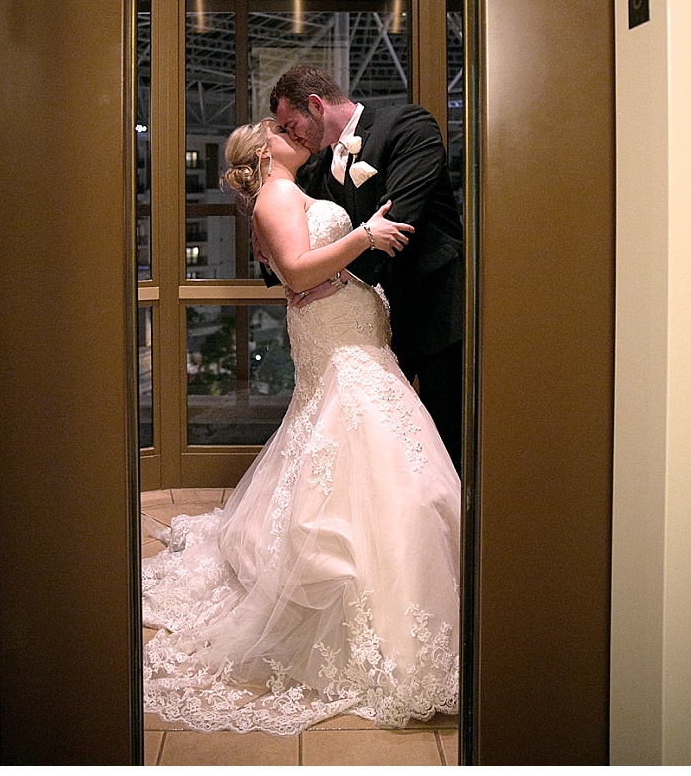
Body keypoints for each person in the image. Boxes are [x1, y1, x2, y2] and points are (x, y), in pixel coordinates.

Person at [142, 118, 460, 735]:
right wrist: (365, 237)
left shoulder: (292, 189)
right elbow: (297, 270)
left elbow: (310, 267)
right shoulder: (277, 195)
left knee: (357, 451)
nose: (293, 133)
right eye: (280, 130)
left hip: (350, 329)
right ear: (266, 150)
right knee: (383, 465)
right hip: (339, 340)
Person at [269, 64, 465, 475]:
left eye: (292, 124)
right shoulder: (322, 169)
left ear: (317, 105)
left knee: (442, 442)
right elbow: (304, 233)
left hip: (433, 313)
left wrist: (332, 276)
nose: (293, 137)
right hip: (370, 327)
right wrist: (277, 259)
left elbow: (399, 222)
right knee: (375, 451)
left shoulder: (407, 124)